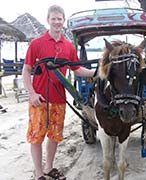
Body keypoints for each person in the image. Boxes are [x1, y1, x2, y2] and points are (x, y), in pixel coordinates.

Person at [22, 5, 95, 180]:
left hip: (59, 99)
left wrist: (98, 72)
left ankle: (48, 168)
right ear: (48, 20)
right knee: (36, 137)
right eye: (53, 18)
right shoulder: (36, 43)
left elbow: (77, 70)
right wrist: (31, 94)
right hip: (39, 99)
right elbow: (26, 70)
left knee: (54, 136)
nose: (56, 22)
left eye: (59, 19)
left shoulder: (69, 46)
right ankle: (39, 173)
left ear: (63, 21)